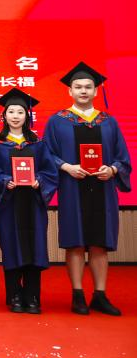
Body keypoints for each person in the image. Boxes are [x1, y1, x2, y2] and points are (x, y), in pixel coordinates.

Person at [44, 62, 131, 316]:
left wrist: (112, 170)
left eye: (88, 87)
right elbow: (47, 154)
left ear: (96, 90)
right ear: (69, 91)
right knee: (75, 243)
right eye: (78, 87)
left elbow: (122, 157)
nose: (83, 91)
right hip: (73, 187)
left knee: (99, 244)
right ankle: (78, 295)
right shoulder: (58, 121)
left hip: (103, 189)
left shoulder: (109, 122)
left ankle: (100, 295)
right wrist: (66, 167)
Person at [0, 88, 58, 314]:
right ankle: (15, 296)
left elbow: (50, 171)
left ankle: (32, 296)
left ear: (27, 116)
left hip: (33, 203)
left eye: (20, 112)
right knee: (11, 246)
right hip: (9, 204)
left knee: (34, 246)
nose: (15, 116)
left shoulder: (38, 144)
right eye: (11, 111)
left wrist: (40, 181)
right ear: (4, 115)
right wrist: (4, 181)